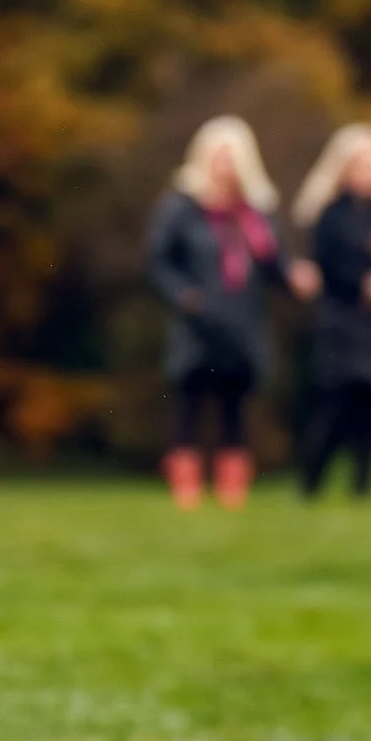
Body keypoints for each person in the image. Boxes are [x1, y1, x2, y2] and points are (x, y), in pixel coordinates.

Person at [147, 116, 315, 509]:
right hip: (198, 321)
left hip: (243, 321)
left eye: (232, 157)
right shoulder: (182, 207)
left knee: (235, 407)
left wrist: (295, 278)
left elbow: (274, 266)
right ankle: (186, 490)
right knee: (190, 403)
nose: (226, 166)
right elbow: (159, 260)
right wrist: (183, 295)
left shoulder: (256, 214)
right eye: (219, 156)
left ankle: (231, 492)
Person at [291, 123, 371, 500]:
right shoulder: (331, 216)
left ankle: (362, 488)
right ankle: (311, 484)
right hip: (345, 325)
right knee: (337, 409)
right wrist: (365, 284)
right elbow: (327, 265)